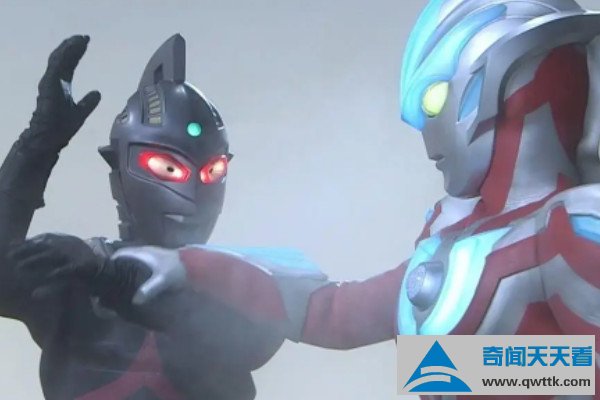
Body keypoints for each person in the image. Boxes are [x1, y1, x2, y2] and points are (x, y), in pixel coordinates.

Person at [16, 1, 600, 399]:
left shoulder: (573, 227)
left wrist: (444, 372)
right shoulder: (448, 238)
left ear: (505, 82)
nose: (429, 135)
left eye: (434, 102)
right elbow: (331, 312)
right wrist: (185, 267)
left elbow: (583, 373)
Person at [6, 34, 325, 400]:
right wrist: (38, 144)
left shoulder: (244, 282)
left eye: (212, 171)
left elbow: (237, 335)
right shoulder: (76, 272)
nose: (194, 188)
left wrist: (111, 277)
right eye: (169, 168)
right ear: (122, 167)